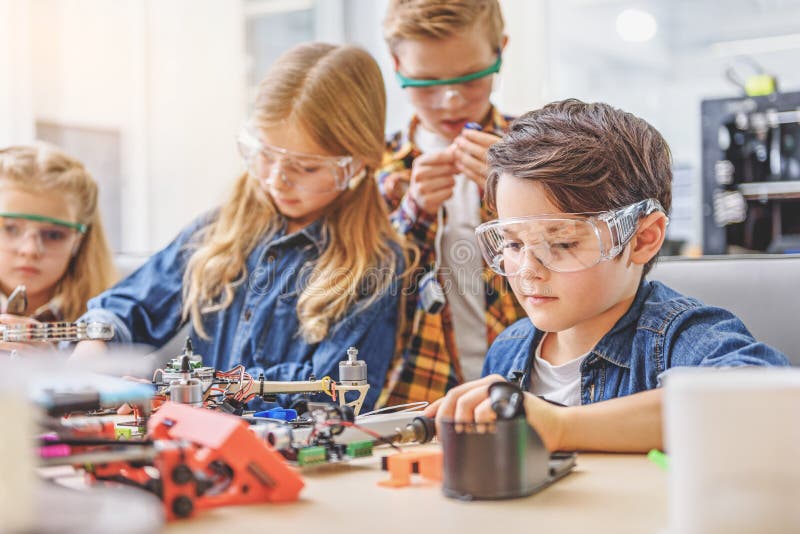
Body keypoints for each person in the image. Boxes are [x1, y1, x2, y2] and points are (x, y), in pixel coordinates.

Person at [426, 99, 789, 452]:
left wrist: (560, 426)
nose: (528, 271)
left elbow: (766, 400)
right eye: (513, 244)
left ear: (643, 239)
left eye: (563, 244)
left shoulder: (676, 338)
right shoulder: (507, 350)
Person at [73, 43, 414, 412]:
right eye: (265, 155)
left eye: (306, 167)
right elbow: (128, 307)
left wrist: (187, 397)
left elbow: (335, 395)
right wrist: (93, 346)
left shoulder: (374, 267)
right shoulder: (221, 230)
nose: (277, 179)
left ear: (358, 163)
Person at [377, 0, 525, 407]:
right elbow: (358, 298)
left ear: (500, 52)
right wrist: (413, 213)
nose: (450, 101)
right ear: (397, 66)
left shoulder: (543, 152)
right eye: (426, 83)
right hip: (413, 401)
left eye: (470, 78)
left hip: (534, 393)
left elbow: (582, 264)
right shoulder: (371, 169)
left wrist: (519, 191)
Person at [0, 143, 116, 353]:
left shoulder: (114, 324)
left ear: (79, 240)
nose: (30, 249)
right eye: (10, 228)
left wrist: (57, 371)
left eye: (54, 235)